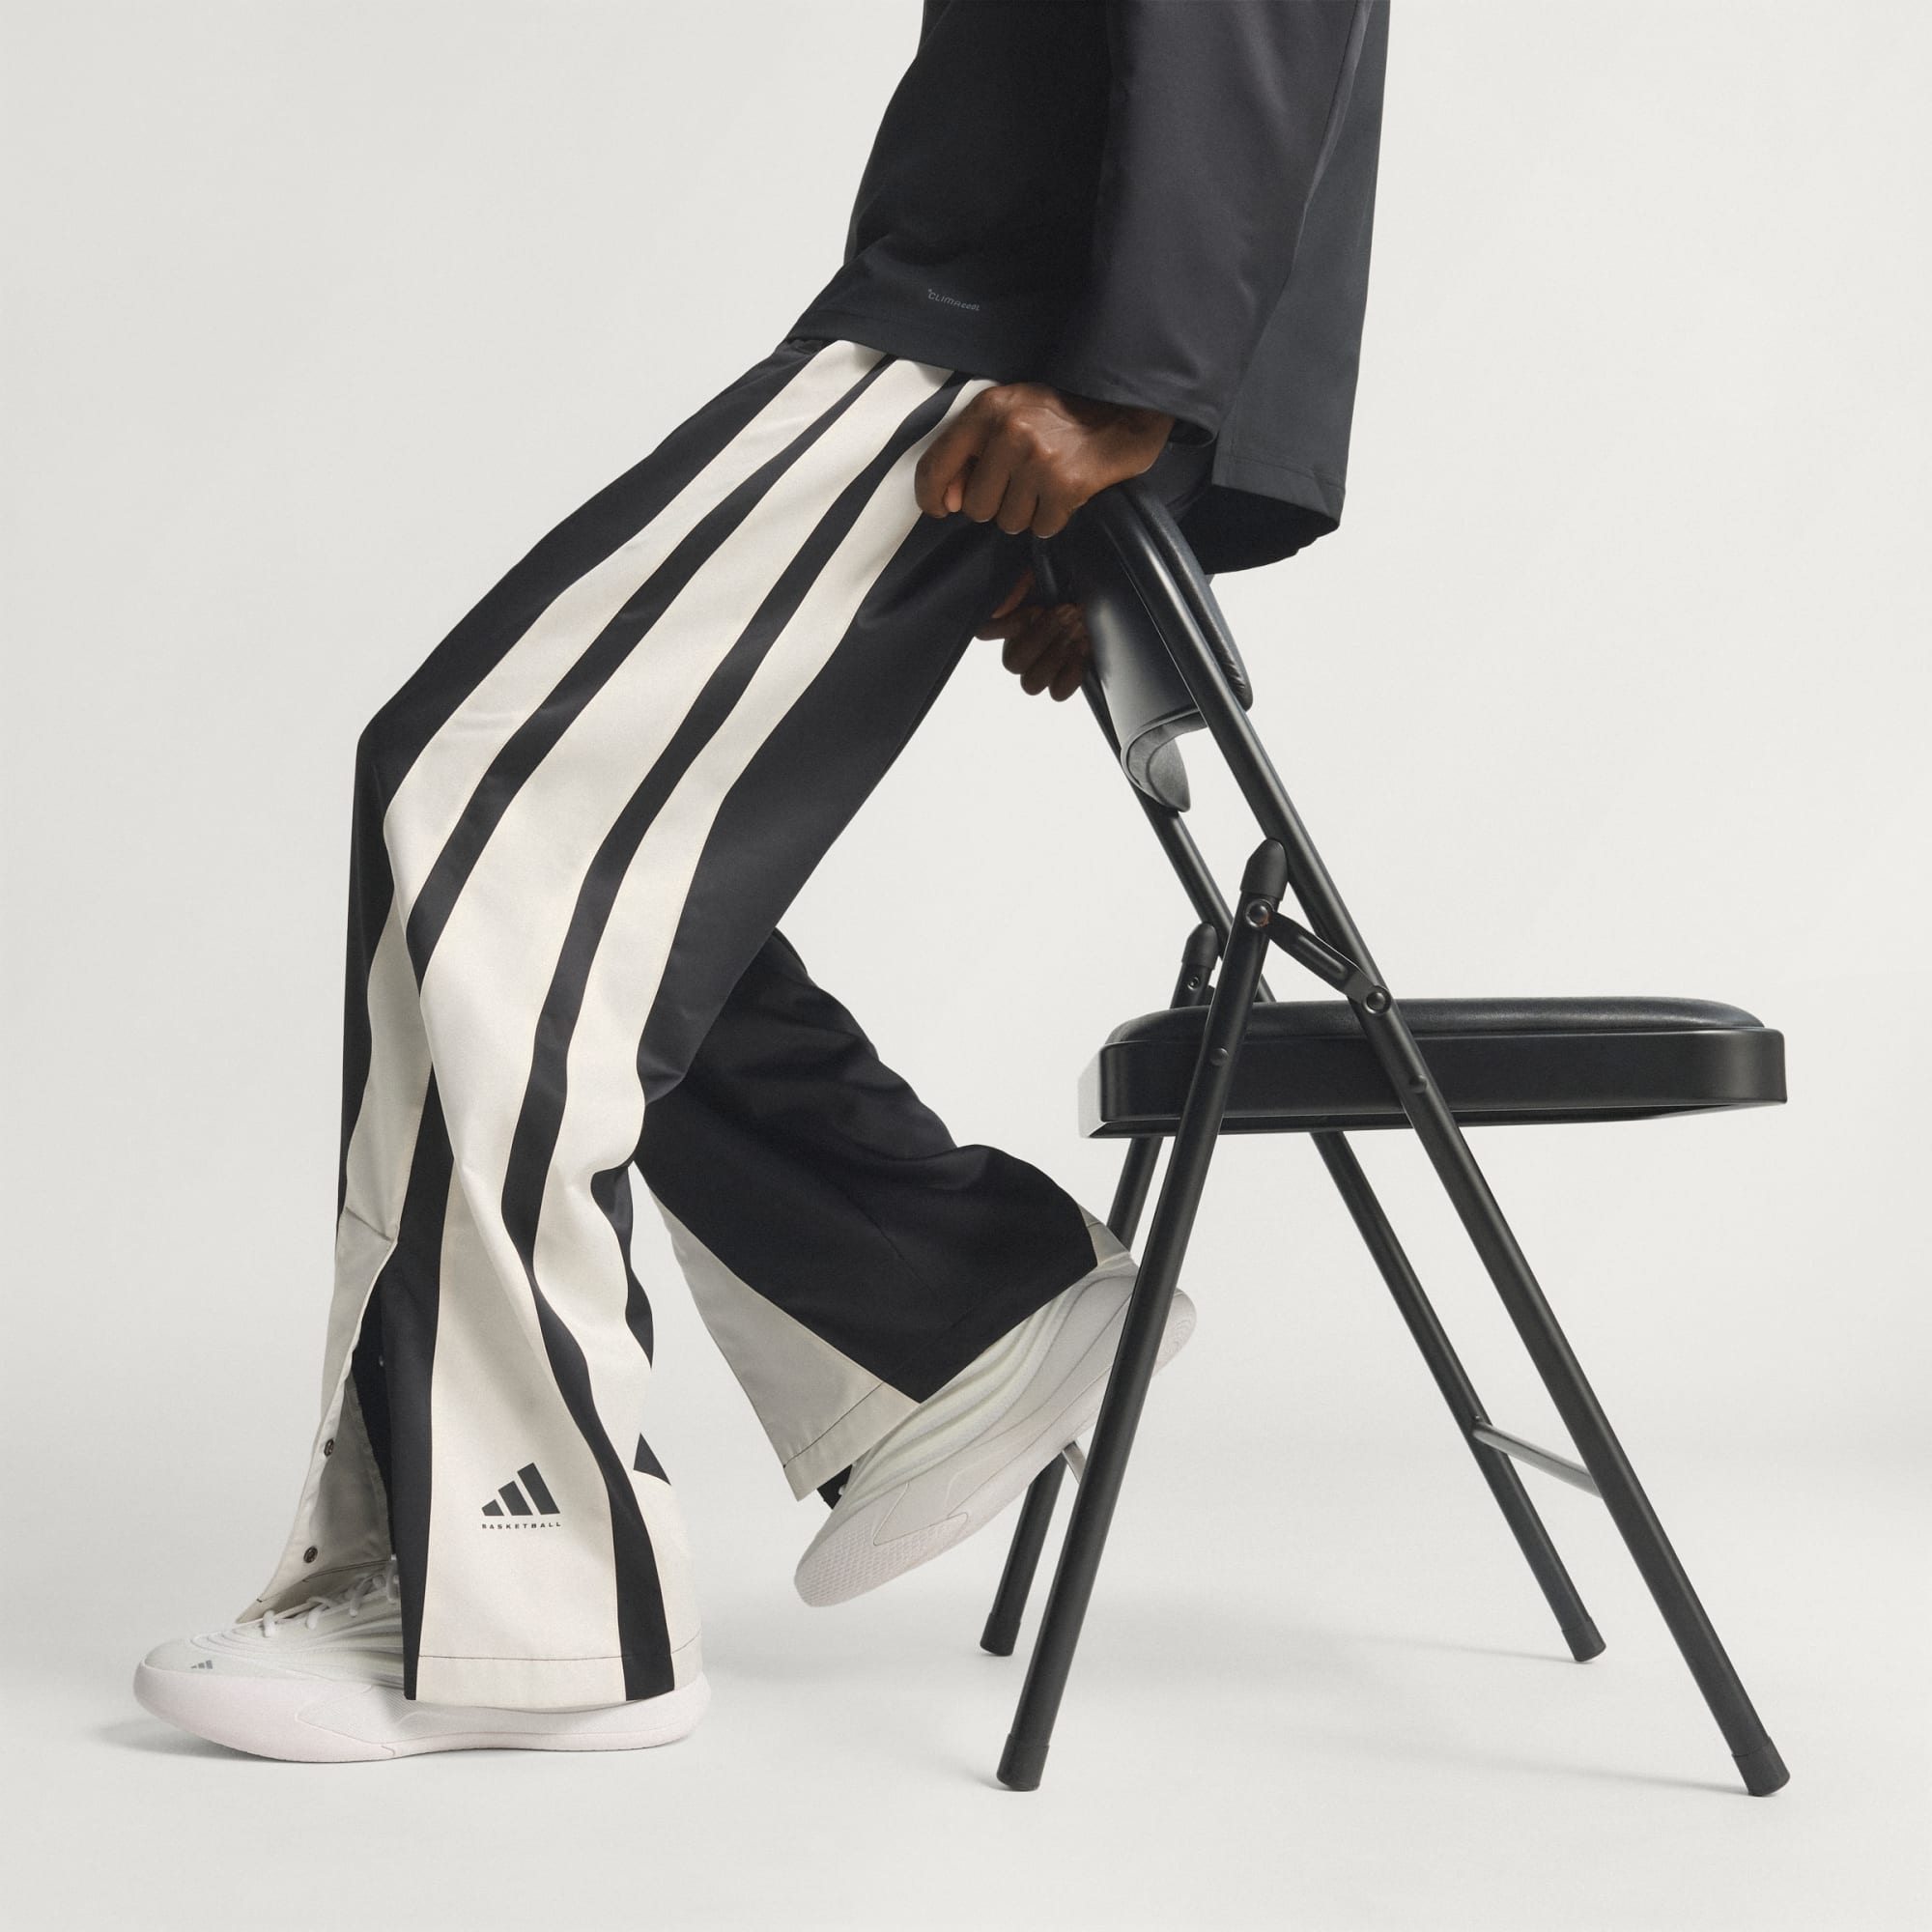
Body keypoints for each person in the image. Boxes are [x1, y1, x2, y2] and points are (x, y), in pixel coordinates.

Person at [134, 0, 1388, 1762]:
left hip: (994, 337)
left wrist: (1147, 390)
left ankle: (527, 1606)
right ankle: (958, 1313)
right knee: (557, 855)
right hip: (998, 317)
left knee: (477, 801)